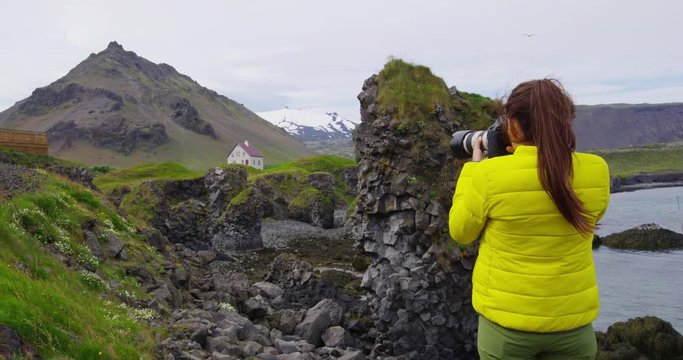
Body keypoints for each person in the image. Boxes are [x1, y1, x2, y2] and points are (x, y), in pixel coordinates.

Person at [448, 79, 610, 359]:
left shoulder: (488, 176)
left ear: (512, 124)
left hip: (507, 330)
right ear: (565, 123)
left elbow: (461, 231)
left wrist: (474, 169)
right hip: (573, 326)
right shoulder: (597, 170)